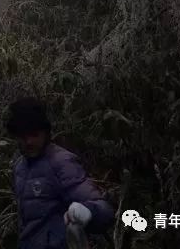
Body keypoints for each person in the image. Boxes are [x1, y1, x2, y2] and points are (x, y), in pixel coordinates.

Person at [7, 97, 114, 249]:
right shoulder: (19, 168)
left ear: (45, 132)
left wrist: (88, 212)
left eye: (34, 134)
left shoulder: (61, 162)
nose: (29, 141)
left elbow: (105, 211)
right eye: (23, 136)